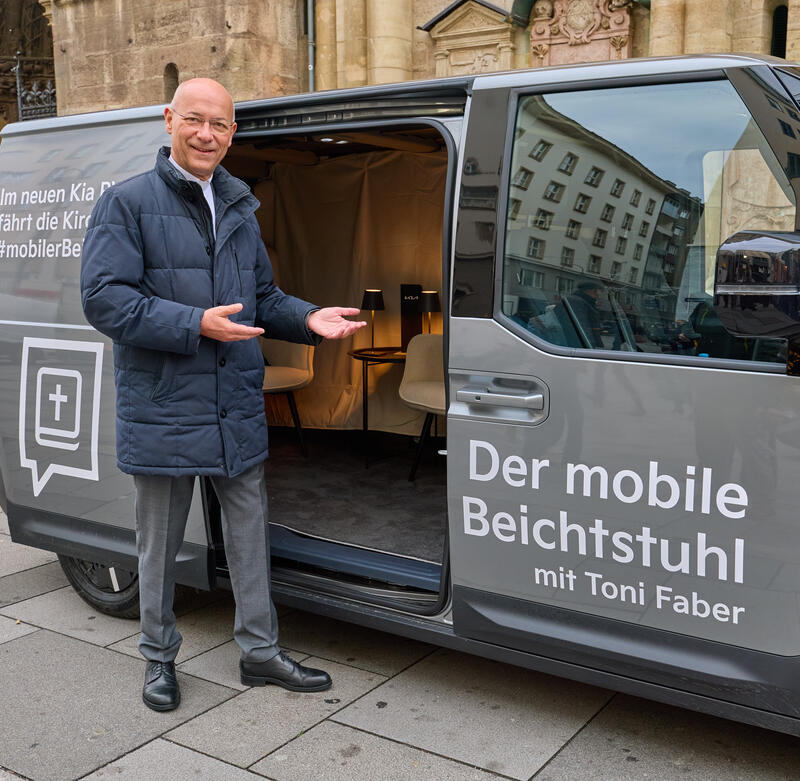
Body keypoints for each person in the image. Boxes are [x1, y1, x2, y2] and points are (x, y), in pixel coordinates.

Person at [80, 78, 366, 712]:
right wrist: (193, 324)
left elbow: (262, 296)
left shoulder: (238, 204)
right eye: (195, 121)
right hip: (163, 404)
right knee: (158, 543)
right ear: (169, 120)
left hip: (233, 401)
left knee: (248, 535)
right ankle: (157, 660)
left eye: (221, 125)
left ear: (233, 133)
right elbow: (104, 300)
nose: (207, 134)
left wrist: (308, 317)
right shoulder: (125, 203)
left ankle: (259, 653)